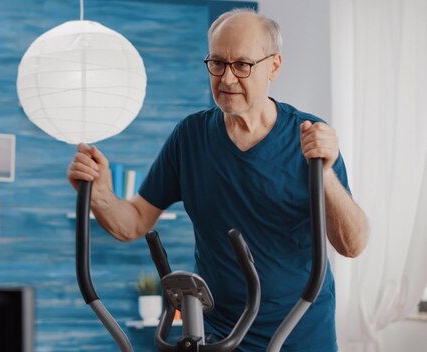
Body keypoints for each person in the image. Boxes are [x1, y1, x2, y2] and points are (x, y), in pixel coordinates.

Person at [67, 8, 368, 352]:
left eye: (242, 65)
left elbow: (352, 244)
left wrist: (325, 172)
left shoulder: (308, 135)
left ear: (274, 65)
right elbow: (134, 222)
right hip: (221, 335)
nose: (226, 79)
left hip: (299, 331)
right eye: (217, 64)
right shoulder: (190, 136)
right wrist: (99, 192)